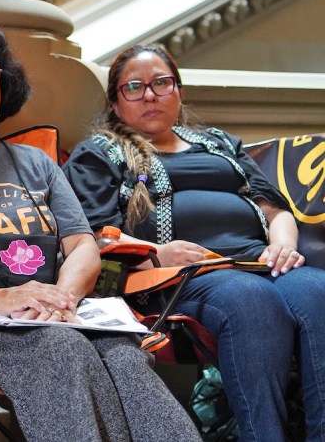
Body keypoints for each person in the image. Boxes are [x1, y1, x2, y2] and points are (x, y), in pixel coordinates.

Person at [0, 21, 201, 442]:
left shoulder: (37, 163)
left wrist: (62, 298)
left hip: (61, 312)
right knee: (60, 350)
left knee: (124, 357)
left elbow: (82, 243)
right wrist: (0, 298)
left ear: (1, 84)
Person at [63, 43, 325, 442]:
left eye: (161, 83)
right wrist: (156, 253)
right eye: (134, 87)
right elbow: (93, 233)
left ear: (179, 92)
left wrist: (284, 246)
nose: (150, 95)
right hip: (175, 279)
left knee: (317, 292)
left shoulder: (220, 144)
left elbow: (276, 210)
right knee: (250, 298)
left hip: (258, 262)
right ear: (116, 104)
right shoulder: (100, 154)